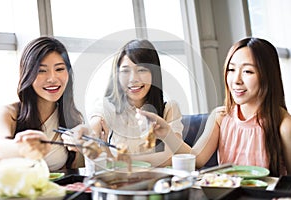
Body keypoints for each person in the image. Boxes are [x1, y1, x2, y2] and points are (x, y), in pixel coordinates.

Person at [147, 37, 291, 176]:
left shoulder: (283, 124)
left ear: (267, 76)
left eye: (247, 71)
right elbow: (196, 159)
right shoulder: (221, 117)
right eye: (231, 70)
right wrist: (167, 133)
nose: (236, 80)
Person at [81, 39, 192, 167]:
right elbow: (94, 126)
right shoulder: (107, 106)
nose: (133, 79)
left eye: (142, 70)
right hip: (118, 182)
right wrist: (86, 133)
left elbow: (171, 156)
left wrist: (116, 158)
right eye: (125, 71)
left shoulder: (169, 109)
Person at [0, 36, 84, 171]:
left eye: (59, 69)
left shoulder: (72, 117)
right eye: (41, 71)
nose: (52, 78)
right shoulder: (8, 112)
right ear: (28, 74)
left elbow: (70, 173)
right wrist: (23, 147)